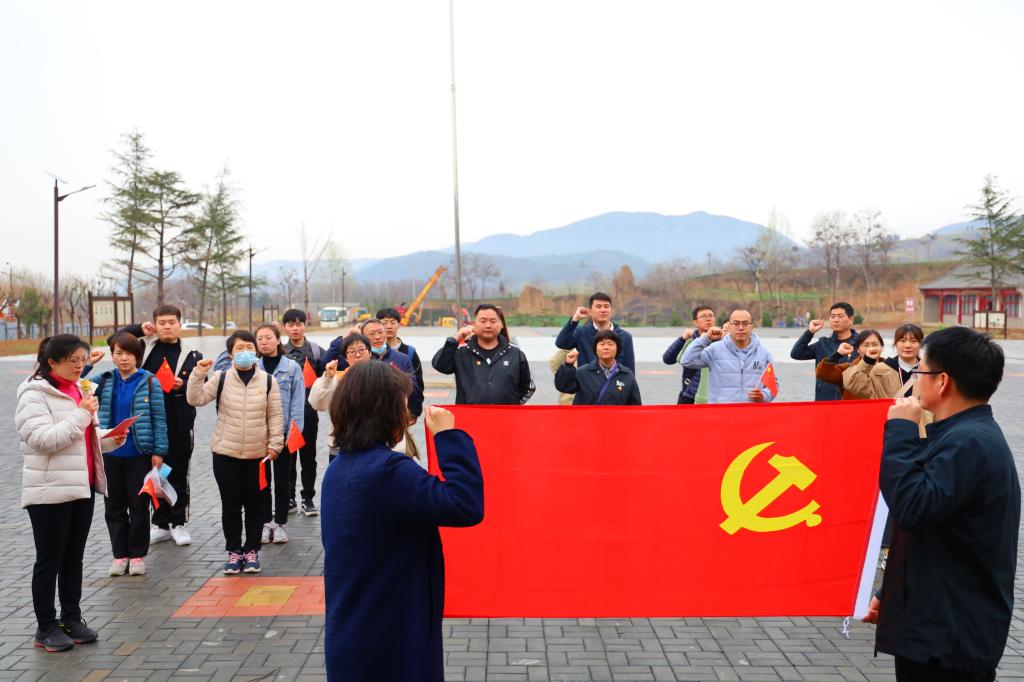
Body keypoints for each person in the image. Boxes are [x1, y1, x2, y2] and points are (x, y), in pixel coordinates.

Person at [863, 327, 1019, 681]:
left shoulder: (968, 443)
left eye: (920, 369)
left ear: (943, 381)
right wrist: (891, 592)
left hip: (948, 639)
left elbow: (911, 507)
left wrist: (901, 432)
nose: (916, 379)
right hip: (937, 623)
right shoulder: (962, 436)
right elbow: (935, 522)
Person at [320, 361, 484, 682]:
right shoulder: (389, 471)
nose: (408, 414)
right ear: (384, 410)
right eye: (403, 404)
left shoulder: (339, 469)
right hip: (393, 640)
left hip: (356, 630)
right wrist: (448, 436)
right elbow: (465, 504)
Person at [16, 335, 125, 652]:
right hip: (50, 490)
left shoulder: (79, 388)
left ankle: (71, 619)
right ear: (52, 362)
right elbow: (43, 440)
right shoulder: (34, 394)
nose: (80, 366)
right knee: (49, 560)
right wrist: (81, 413)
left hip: (82, 486)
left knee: (73, 559)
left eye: (83, 360)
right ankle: (46, 627)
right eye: (73, 360)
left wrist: (110, 438)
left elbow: (82, 436)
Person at [187, 331, 284, 575]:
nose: (245, 352)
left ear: (256, 352)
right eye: (239, 348)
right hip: (225, 454)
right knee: (230, 506)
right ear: (230, 353)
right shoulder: (220, 378)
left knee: (255, 506)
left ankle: (251, 551)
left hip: (257, 455)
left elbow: (275, 415)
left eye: (249, 347)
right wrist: (198, 374)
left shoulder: (268, 381)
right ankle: (233, 552)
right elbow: (195, 399)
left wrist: (275, 444)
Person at [110, 306, 203, 547]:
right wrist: (138, 329)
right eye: (162, 322)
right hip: (148, 423)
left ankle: (178, 523)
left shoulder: (193, 355)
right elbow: (115, 339)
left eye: (172, 322)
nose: (167, 326)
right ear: (154, 325)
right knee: (154, 472)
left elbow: (200, 388)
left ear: (180, 324)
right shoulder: (144, 347)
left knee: (178, 472)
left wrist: (183, 385)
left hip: (180, 422)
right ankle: (160, 523)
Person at [214, 324, 306, 544]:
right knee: (263, 482)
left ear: (278, 340)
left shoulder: (291, 367)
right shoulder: (253, 367)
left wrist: (293, 433)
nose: (264, 342)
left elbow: (297, 402)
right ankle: (265, 522)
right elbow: (221, 366)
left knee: (283, 480)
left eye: (268, 337)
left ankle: (280, 522)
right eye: (260, 338)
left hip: (283, 433)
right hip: (257, 435)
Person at [92, 331, 168, 577]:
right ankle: (119, 555)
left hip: (139, 454)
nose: (124, 358)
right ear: (112, 355)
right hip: (110, 454)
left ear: (138, 356)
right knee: (113, 507)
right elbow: (77, 386)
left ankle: (136, 556)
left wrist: (159, 451)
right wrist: (89, 364)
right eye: (119, 353)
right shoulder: (104, 379)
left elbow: (159, 418)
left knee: (138, 506)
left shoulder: (150, 381)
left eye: (129, 353)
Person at [432, 303, 535, 405]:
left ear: (501, 324)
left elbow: (529, 388)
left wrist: (513, 406)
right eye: (483, 321)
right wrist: (456, 339)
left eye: (493, 321)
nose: (488, 325)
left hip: (505, 415)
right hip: (469, 415)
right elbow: (440, 365)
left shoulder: (515, 353)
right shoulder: (461, 351)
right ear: (474, 324)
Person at [679, 309, 777, 404]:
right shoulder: (715, 349)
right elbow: (687, 361)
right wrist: (705, 338)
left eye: (745, 323)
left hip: (752, 412)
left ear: (752, 327)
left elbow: (773, 385)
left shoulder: (764, 353)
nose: (741, 328)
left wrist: (764, 395)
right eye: (736, 323)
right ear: (729, 326)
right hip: (720, 412)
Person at [282, 309, 325, 517]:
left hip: (309, 414)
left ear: (305, 326)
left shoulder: (316, 351)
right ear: (284, 327)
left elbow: (327, 376)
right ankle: (289, 498)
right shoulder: (280, 351)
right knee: (288, 459)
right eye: (291, 324)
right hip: (286, 416)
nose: (295, 328)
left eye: (299, 324)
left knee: (309, 458)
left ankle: (308, 498)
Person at [309, 334, 373, 462]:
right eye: (352, 352)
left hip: (374, 444)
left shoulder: (381, 377)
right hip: (342, 444)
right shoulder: (337, 378)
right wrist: (327, 378)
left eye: (361, 350)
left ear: (370, 353)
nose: (357, 355)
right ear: (345, 357)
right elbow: (317, 403)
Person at [789, 302, 858, 401]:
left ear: (851, 319)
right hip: (824, 402)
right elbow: (796, 354)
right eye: (832, 316)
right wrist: (810, 332)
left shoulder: (861, 345)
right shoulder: (823, 344)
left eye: (840, 316)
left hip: (851, 403)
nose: (835, 320)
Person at [555, 330, 642, 405]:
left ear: (617, 349)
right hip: (588, 419)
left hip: (616, 419)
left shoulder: (626, 374)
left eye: (610, 344)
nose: (606, 347)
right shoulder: (583, 372)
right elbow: (563, 386)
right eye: (602, 344)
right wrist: (568, 366)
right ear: (595, 349)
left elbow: (635, 405)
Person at [555, 292, 636, 372]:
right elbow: (561, 343)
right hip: (587, 380)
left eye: (606, 306)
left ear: (611, 310)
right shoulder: (582, 333)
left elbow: (629, 370)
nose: (603, 310)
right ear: (590, 311)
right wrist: (575, 319)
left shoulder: (624, 337)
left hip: (615, 380)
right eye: (598, 306)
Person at [814, 329, 898, 400]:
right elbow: (823, 373)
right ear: (857, 349)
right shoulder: (848, 369)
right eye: (866, 345)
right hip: (854, 413)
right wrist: (838, 353)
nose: (871, 348)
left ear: (882, 347)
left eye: (875, 344)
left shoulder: (891, 367)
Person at [376, 307, 425, 419]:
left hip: (402, 414)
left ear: (399, 325)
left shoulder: (409, 352)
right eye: (384, 323)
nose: (389, 326)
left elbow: (418, 385)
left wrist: (414, 413)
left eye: (393, 323)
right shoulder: (370, 351)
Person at [662, 305, 715, 404]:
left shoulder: (721, 341)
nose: (708, 319)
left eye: (711, 316)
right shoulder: (689, 341)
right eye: (704, 316)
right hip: (689, 395)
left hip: (713, 397)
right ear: (695, 322)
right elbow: (667, 359)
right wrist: (682, 339)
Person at [884, 324, 925, 396]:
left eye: (913, 341)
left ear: (921, 344)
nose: (907, 345)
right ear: (895, 344)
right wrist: (867, 362)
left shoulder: (928, 372)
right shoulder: (881, 370)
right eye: (902, 341)